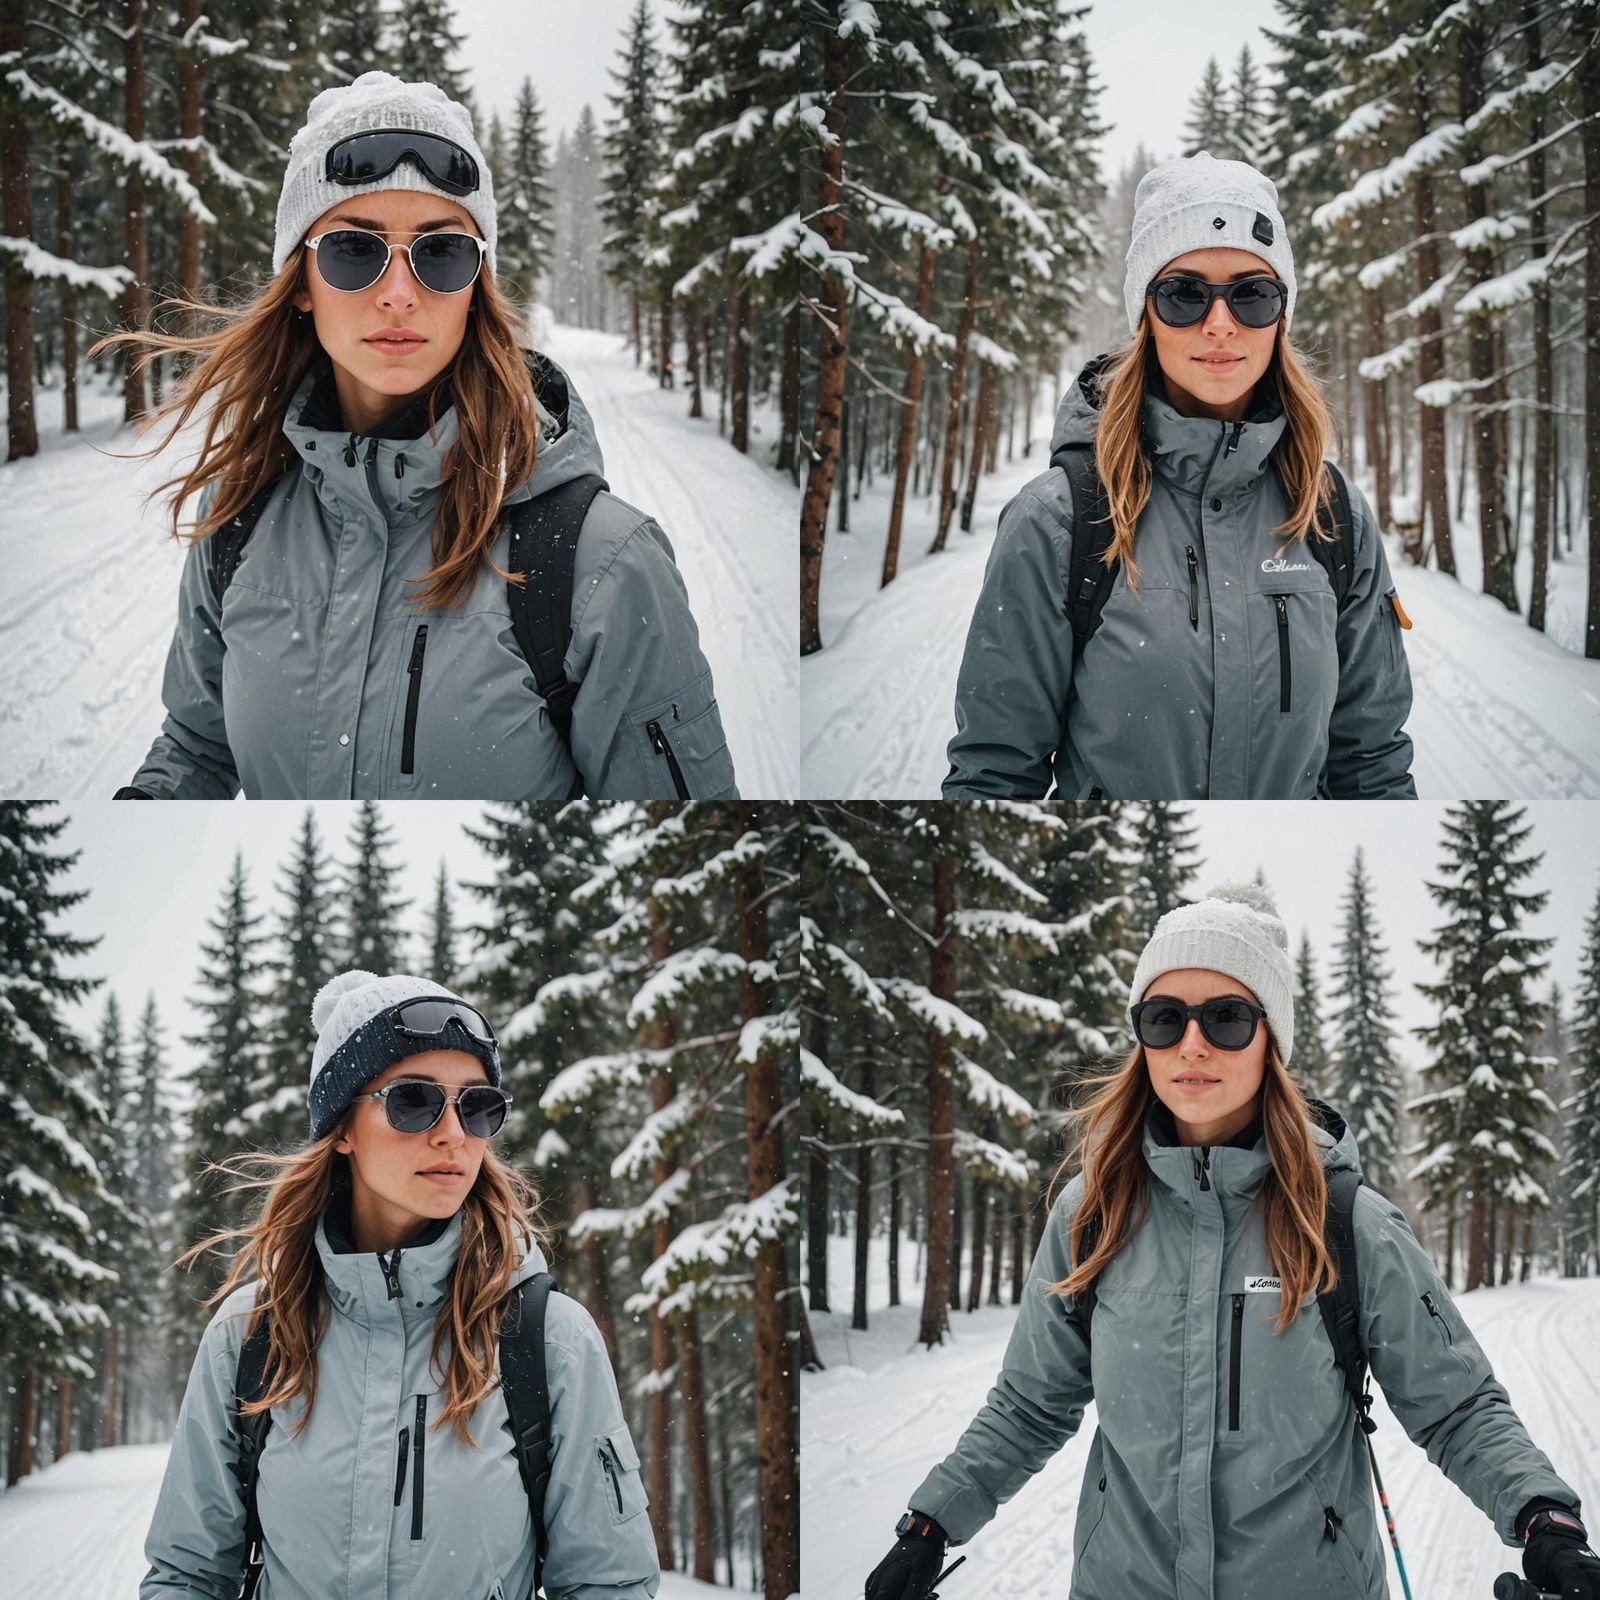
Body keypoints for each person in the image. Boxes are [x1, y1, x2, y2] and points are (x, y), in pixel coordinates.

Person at [862, 884, 1595, 1600]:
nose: (1192, 1045)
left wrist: (1543, 1517)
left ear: (1269, 1036)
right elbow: (1028, 1406)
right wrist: (930, 1527)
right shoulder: (1093, 1215)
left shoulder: (1345, 1220)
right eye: (1164, 1018)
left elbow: (1455, 1405)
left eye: (1226, 1018)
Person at [98, 72, 736, 801]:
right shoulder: (240, 513)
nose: (399, 291)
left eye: (440, 253)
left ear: (476, 283)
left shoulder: (599, 562)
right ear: (299, 281)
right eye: (351, 250)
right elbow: (198, 744)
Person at [141, 970, 659, 1600]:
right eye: (413, 1101)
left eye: (477, 1106)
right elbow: (187, 1576)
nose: (452, 1133)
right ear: (341, 1129)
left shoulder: (548, 1339)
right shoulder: (249, 1334)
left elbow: (609, 1584)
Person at [943, 153, 1415, 801]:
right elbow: (994, 778)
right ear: (1146, 315)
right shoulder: (1059, 519)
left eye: (1252, 294)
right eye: (1184, 293)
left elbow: (1374, 765)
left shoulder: (1333, 515)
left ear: (1281, 316)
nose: (1219, 322)